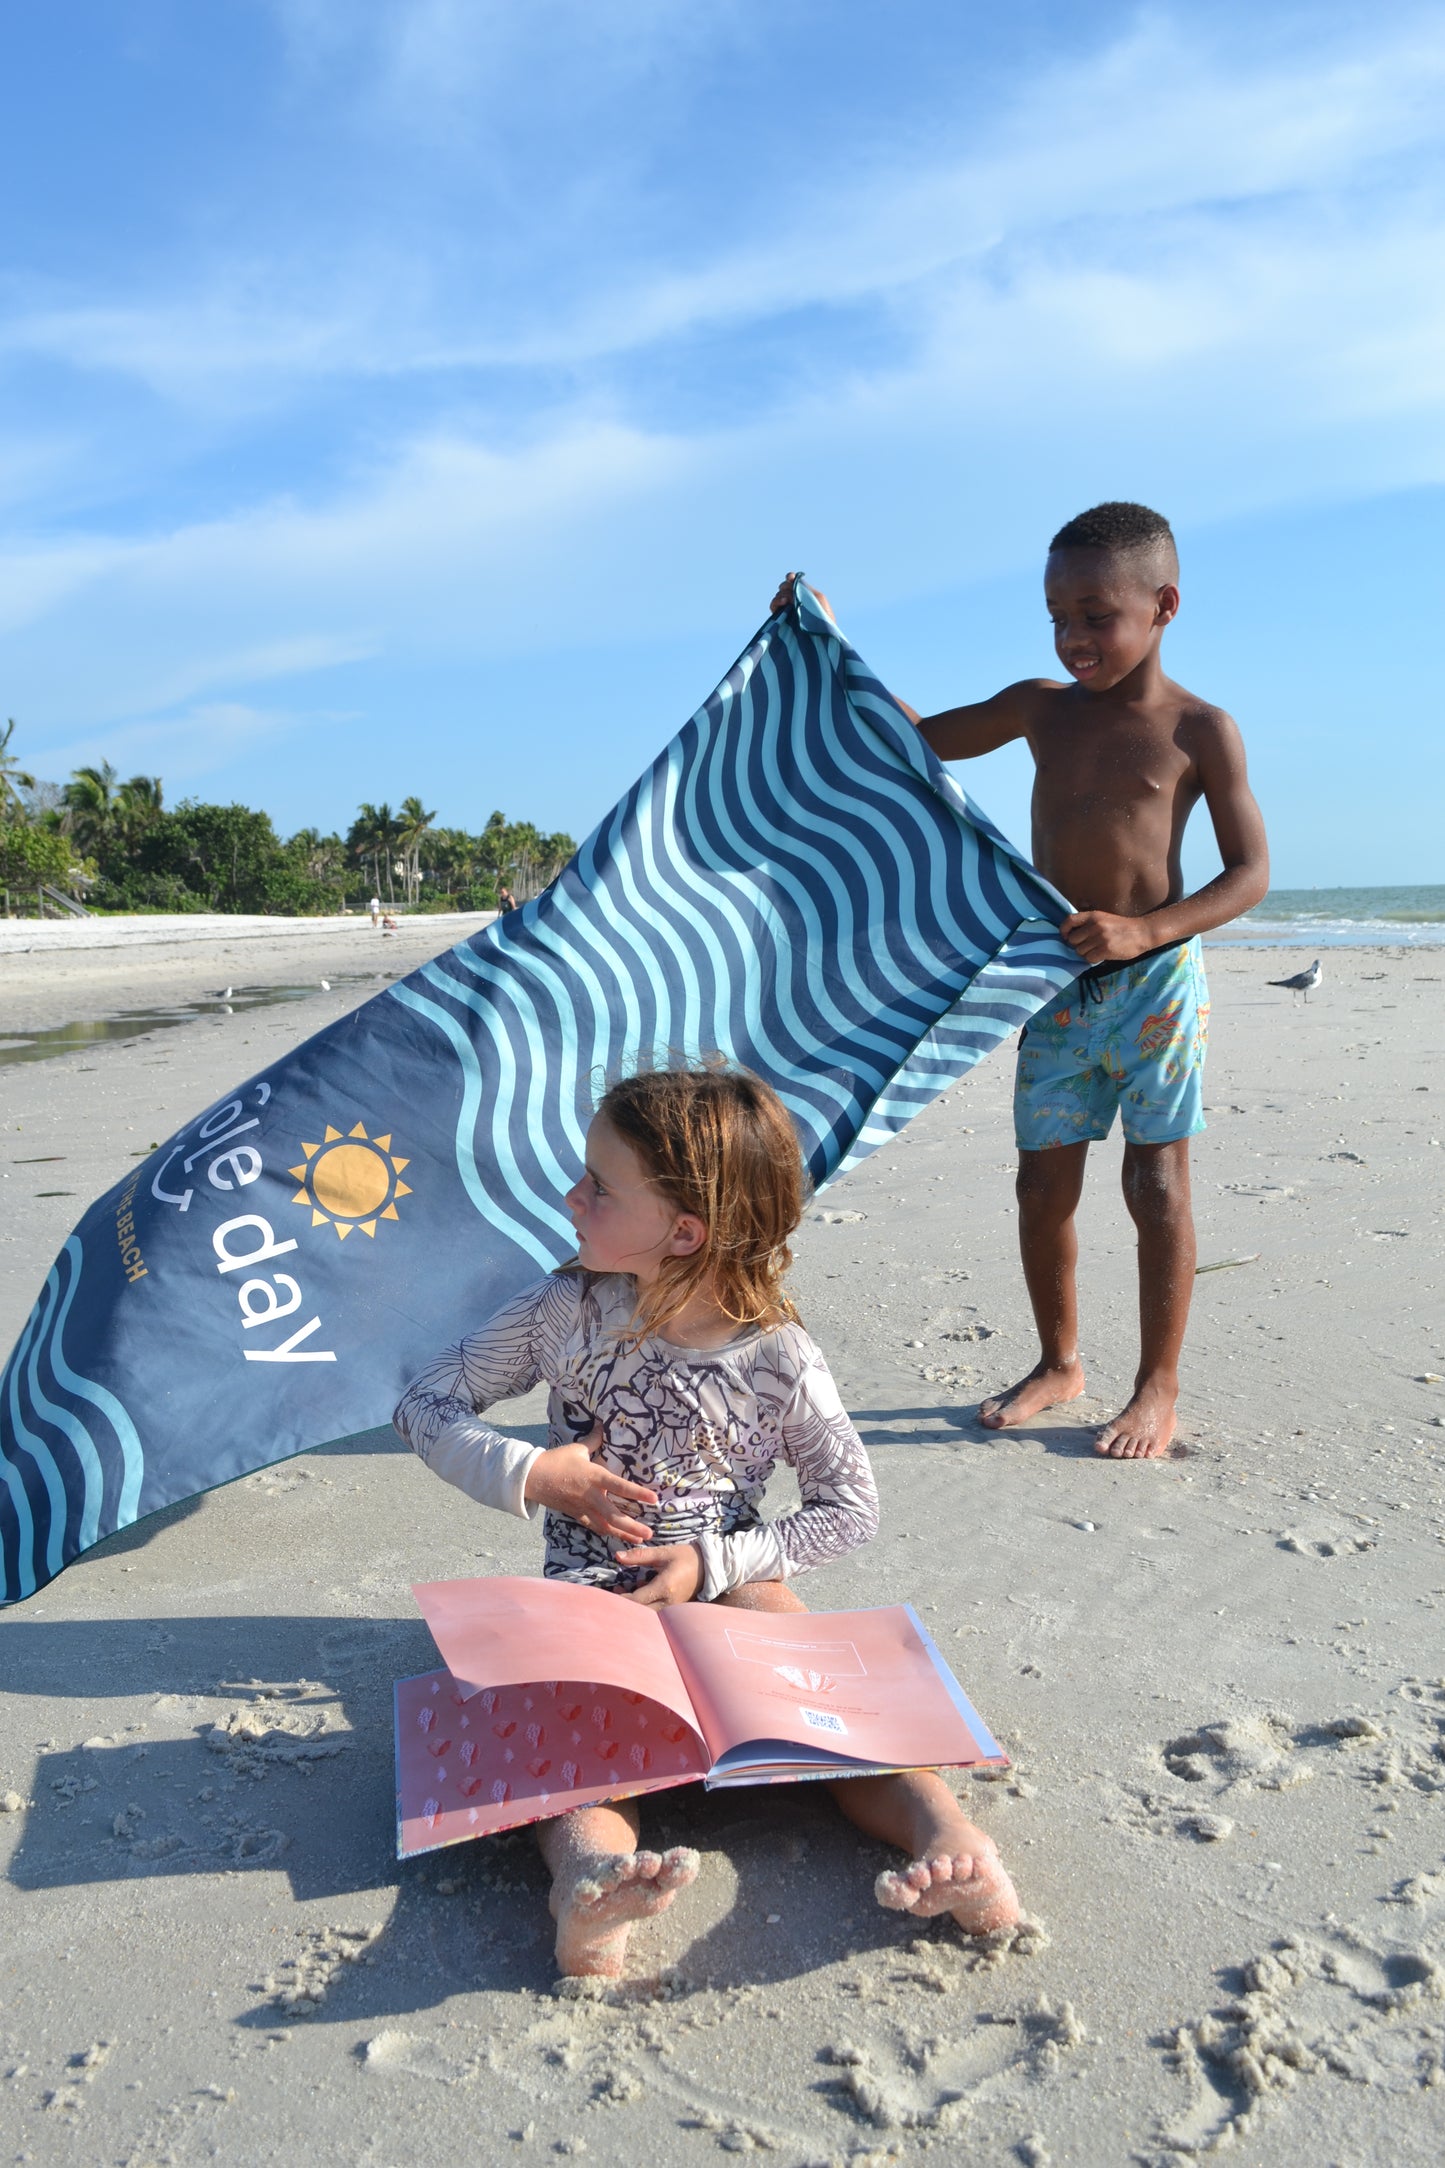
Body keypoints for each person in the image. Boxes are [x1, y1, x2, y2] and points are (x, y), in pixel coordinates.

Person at [394, 1063, 1019, 1977]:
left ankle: (949, 1838)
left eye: (599, 1188)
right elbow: (425, 1401)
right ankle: (592, 1882)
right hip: (589, 1587)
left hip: (732, 1580)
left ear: (683, 1231)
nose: (571, 1196)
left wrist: (713, 1564)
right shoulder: (560, 1312)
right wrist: (534, 1473)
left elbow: (849, 1508)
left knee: (837, 1713)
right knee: (573, 1750)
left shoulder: (778, 1358)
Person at [771, 503, 1269, 1461]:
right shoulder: (1040, 707)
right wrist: (824, 638)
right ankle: (1059, 1362)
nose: (1072, 637)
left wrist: (1143, 931)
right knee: (1042, 1186)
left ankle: (1155, 1386)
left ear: (1162, 605)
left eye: (1095, 614)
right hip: (1056, 984)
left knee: (1154, 1184)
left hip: (1156, 985)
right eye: (1056, 616)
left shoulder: (1200, 729)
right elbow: (914, 739)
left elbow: (1247, 874)